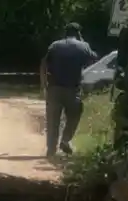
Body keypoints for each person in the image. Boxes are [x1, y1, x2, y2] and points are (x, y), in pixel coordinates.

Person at [40, 22, 98, 157]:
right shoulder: (83, 46)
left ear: (65, 33)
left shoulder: (54, 45)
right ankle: (65, 140)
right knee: (74, 115)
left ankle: (51, 150)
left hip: (54, 89)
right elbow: (94, 60)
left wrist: (43, 85)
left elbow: (43, 64)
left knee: (53, 120)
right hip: (73, 90)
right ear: (78, 33)